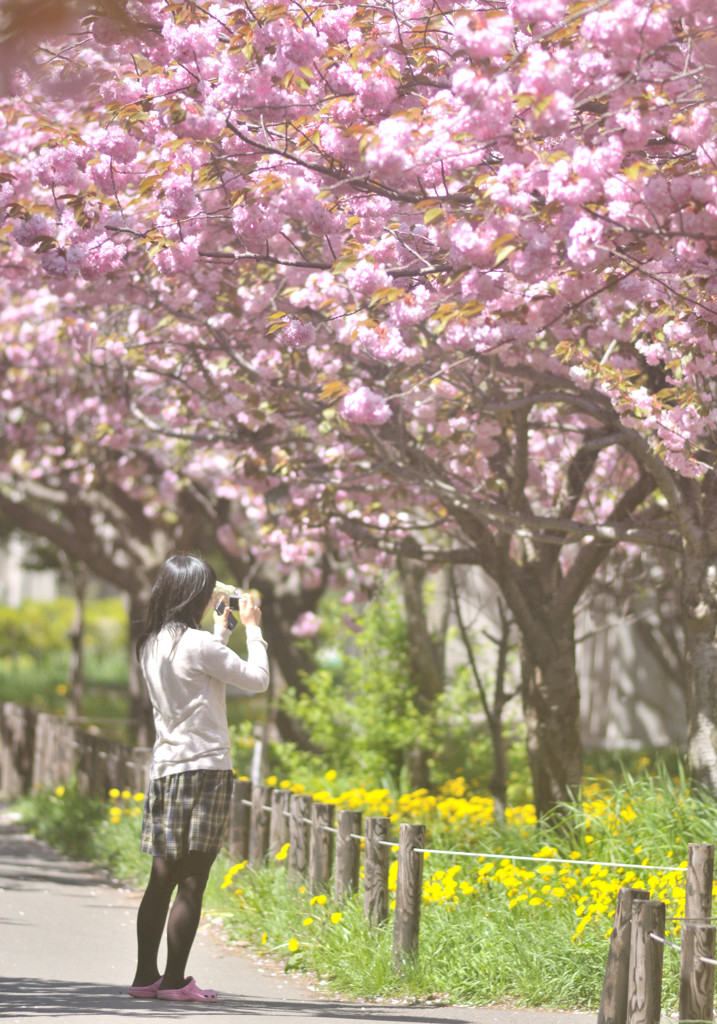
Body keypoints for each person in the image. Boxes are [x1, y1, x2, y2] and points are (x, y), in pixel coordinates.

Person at [128, 553, 269, 1002]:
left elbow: (198, 668)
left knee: (161, 879)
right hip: (206, 771)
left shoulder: (150, 643)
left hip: (167, 771)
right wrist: (253, 628)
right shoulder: (200, 646)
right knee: (193, 879)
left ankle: (144, 977)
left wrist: (221, 630)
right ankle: (175, 983)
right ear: (193, 594)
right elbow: (258, 679)